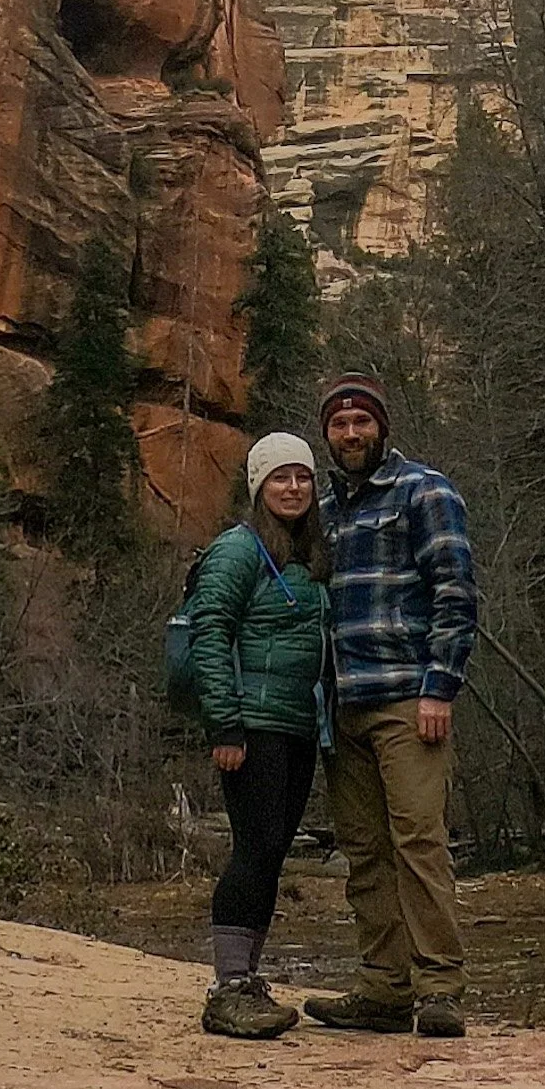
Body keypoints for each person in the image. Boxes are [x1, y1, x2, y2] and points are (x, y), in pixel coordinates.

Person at [304, 373, 478, 1038]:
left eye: (362, 423)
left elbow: (456, 593)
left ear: (383, 428)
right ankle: (383, 988)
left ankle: (440, 990)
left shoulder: (424, 491)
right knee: (365, 849)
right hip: (341, 706)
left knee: (419, 842)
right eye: (340, 425)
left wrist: (441, 686)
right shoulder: (325, 509)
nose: (351, 434)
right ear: (327, 434)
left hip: (408, 699)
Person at [188, 429, 333, 1039]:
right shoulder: (239, 549)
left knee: (270, 851)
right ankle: (228, 988)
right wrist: (225, 724)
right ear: (258, 487)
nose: (293, 487)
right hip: (253, 726)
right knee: (254, 849)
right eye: (279, 477)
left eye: (301, 477)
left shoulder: (308, 552)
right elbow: (209, 634)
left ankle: (246, 978)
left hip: (296, 725)